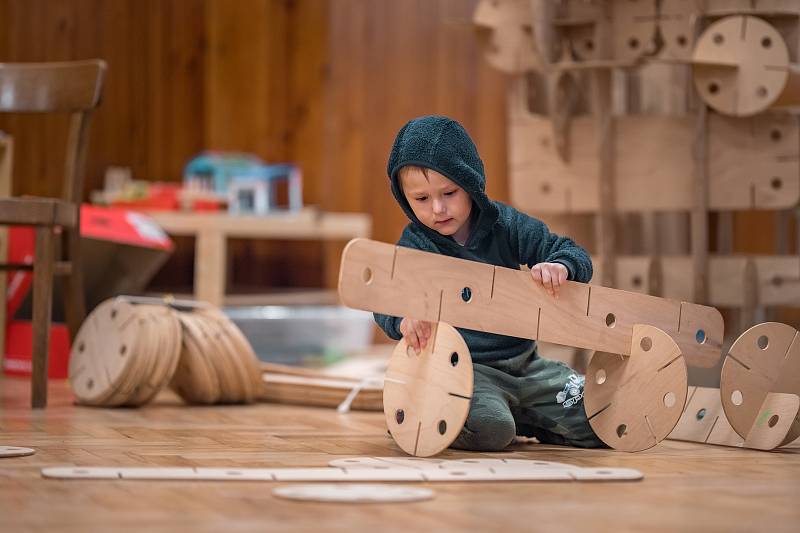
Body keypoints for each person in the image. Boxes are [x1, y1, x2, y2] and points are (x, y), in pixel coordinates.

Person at [374, 115, 605, 451]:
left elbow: (573, 253)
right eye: (421, 199)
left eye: (449, 193)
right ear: (405, 198)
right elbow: (386, 300)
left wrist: (560, 266)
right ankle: (439, 415)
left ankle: (527, 413)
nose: (438, 208)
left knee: (599, 420)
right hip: (463, 370)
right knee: (492, 428)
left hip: (527, 366)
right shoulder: (416, 244)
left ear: (470, 183)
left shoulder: (507, 225)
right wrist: (402, 320)